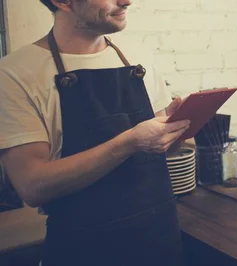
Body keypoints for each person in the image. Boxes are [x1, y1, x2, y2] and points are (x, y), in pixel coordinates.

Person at [0, 0, 190, 265]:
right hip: (85, 250)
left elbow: (166, 149)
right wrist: (128, 142)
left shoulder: (138, 56)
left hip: (160, 240)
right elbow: (32, 186)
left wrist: (176, 128)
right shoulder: (14, 74)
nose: (126, 1)